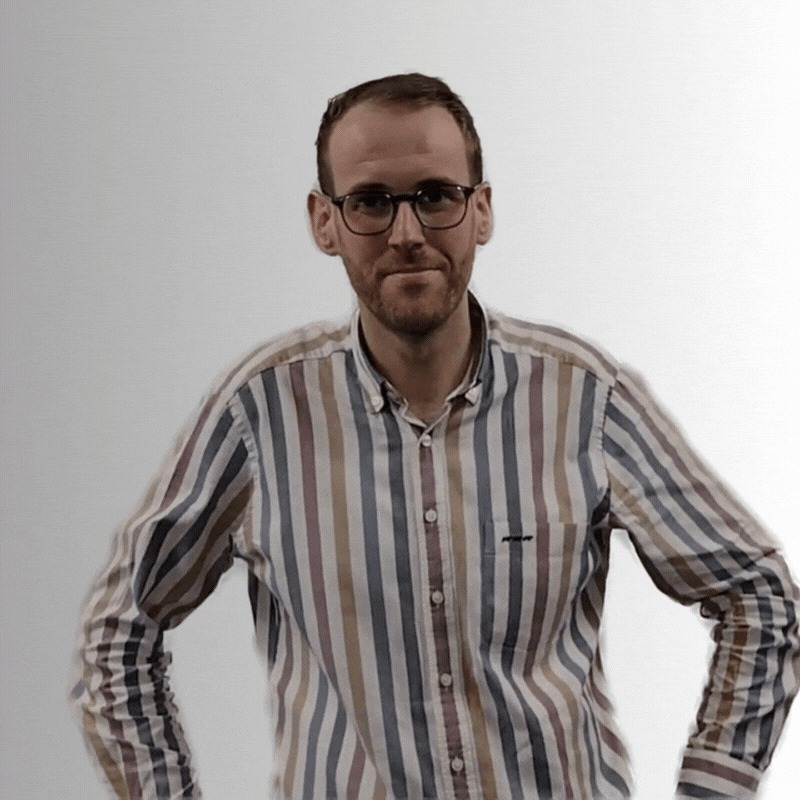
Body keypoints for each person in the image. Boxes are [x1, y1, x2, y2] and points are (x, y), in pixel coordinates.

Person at [72, 73, 799, 800]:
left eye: (435, 195)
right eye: (370, 202)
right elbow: (118, 633)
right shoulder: (259, 414)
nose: (407, 233)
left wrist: (713, 788)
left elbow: (758, 595)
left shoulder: (584, 399)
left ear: (481, 210)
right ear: (324, 222)